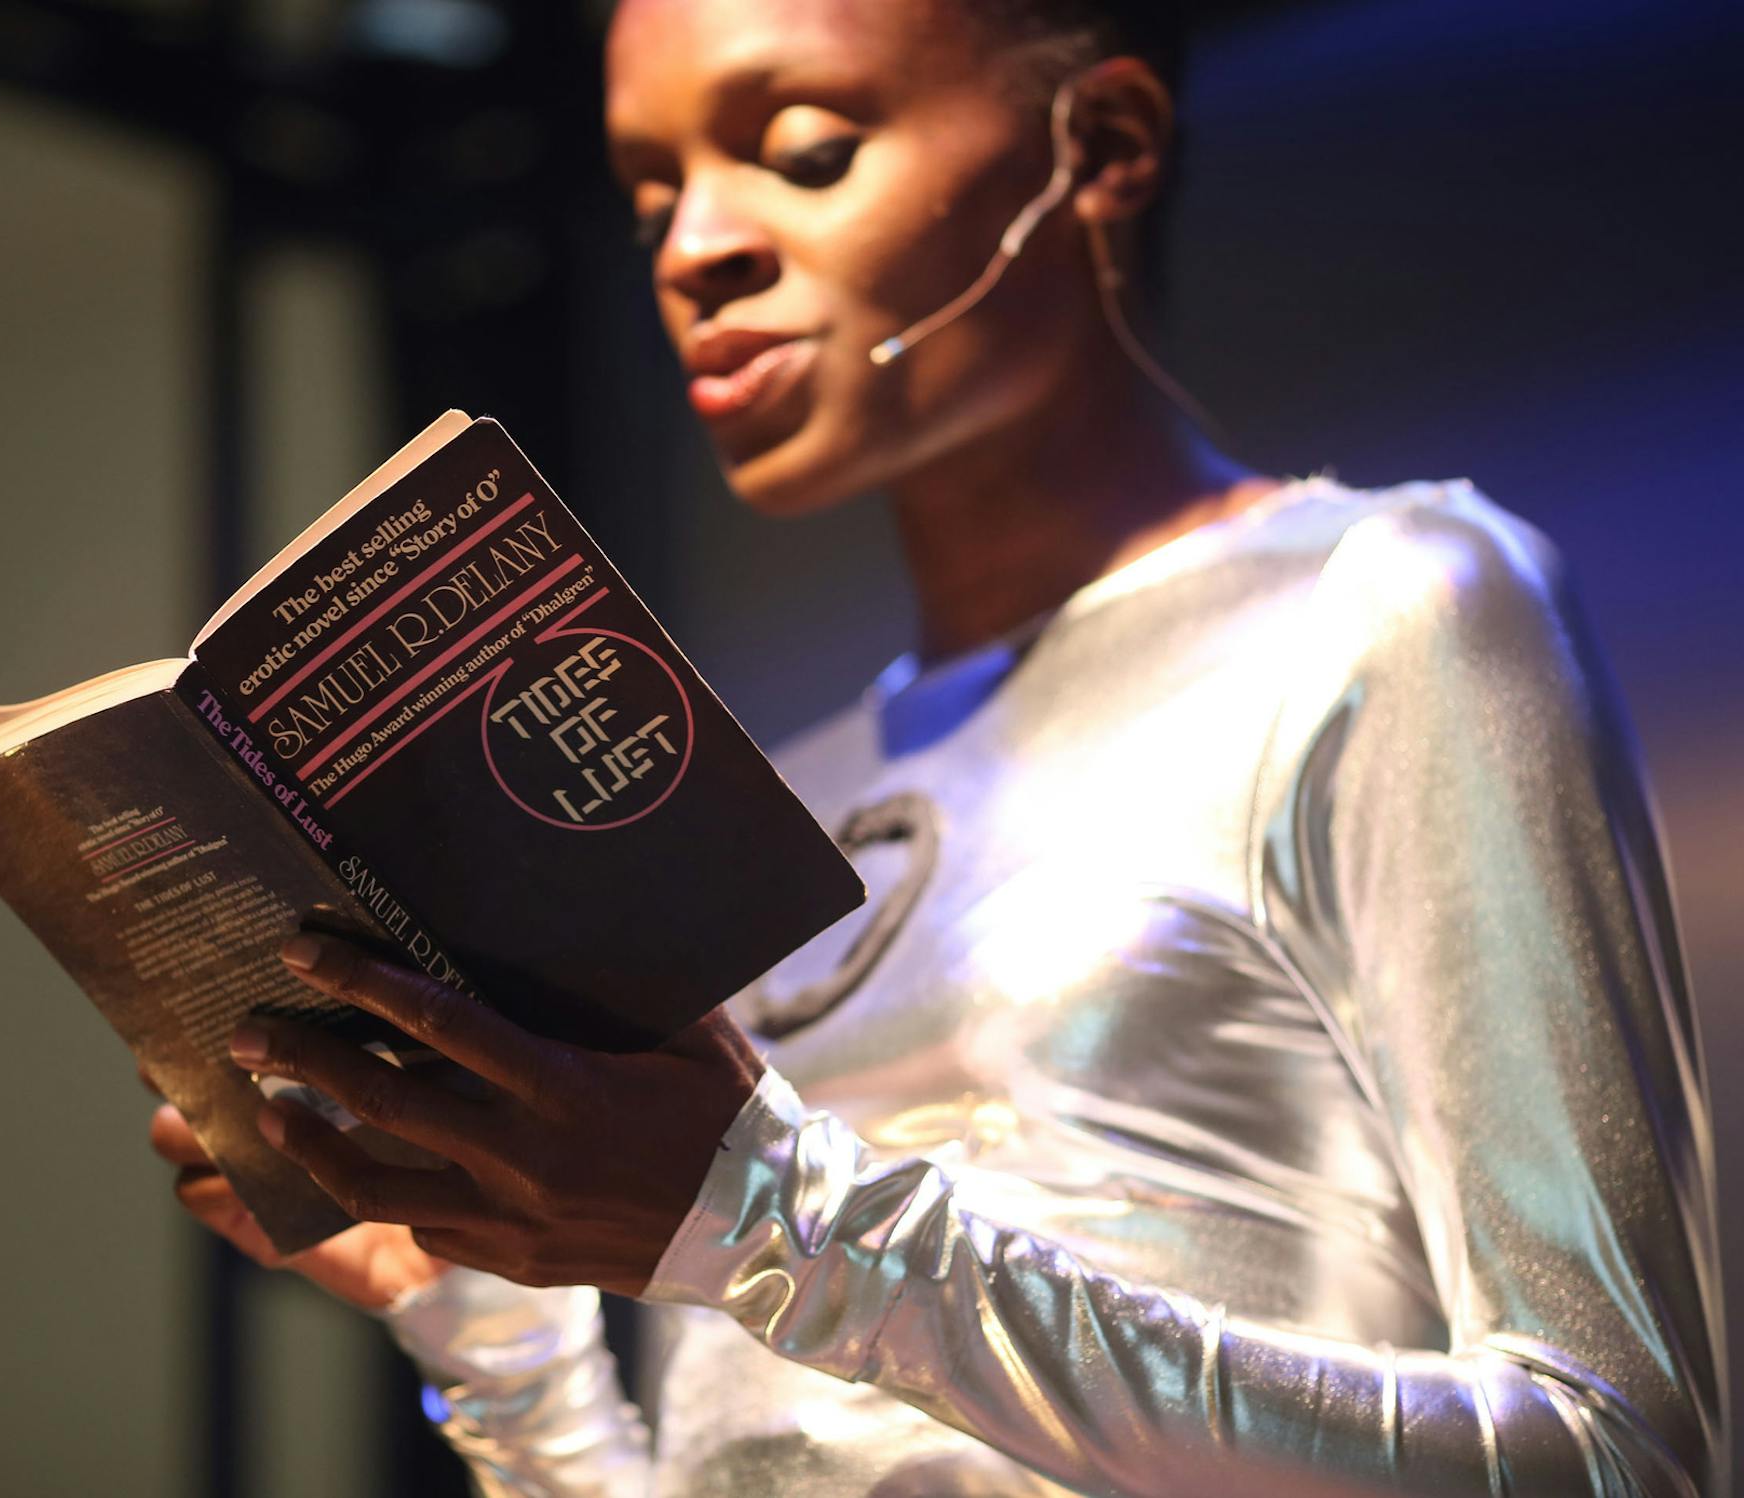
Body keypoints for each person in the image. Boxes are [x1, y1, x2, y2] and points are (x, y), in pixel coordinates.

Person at [146, 0, 1727, 1492]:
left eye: (807, 150)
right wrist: (487, 1320)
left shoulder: (1383, 608)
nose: (699, 249)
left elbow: (1610, 1451)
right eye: (648, 205)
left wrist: (775, 1222)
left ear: (1098, 146)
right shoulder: (776, 796)